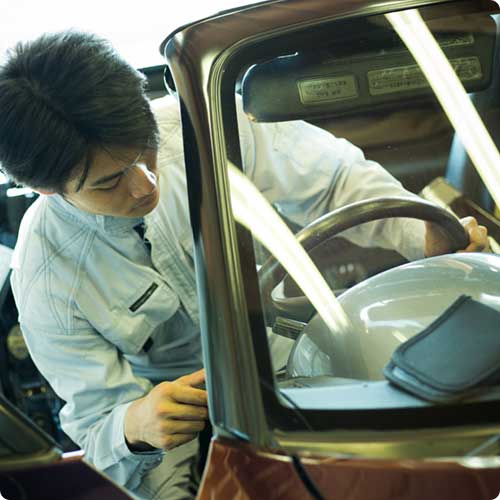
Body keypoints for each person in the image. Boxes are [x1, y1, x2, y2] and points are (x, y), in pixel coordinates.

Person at [0, 31, 488, 499]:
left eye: (146, 150)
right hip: (172, 414)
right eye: (109, 182)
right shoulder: (45, 276)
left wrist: (420, 235)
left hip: (283, 354)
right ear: (46, 188)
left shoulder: (209, 126)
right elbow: (95, 422)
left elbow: (336, 182)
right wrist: (135, 425)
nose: (146, 184)